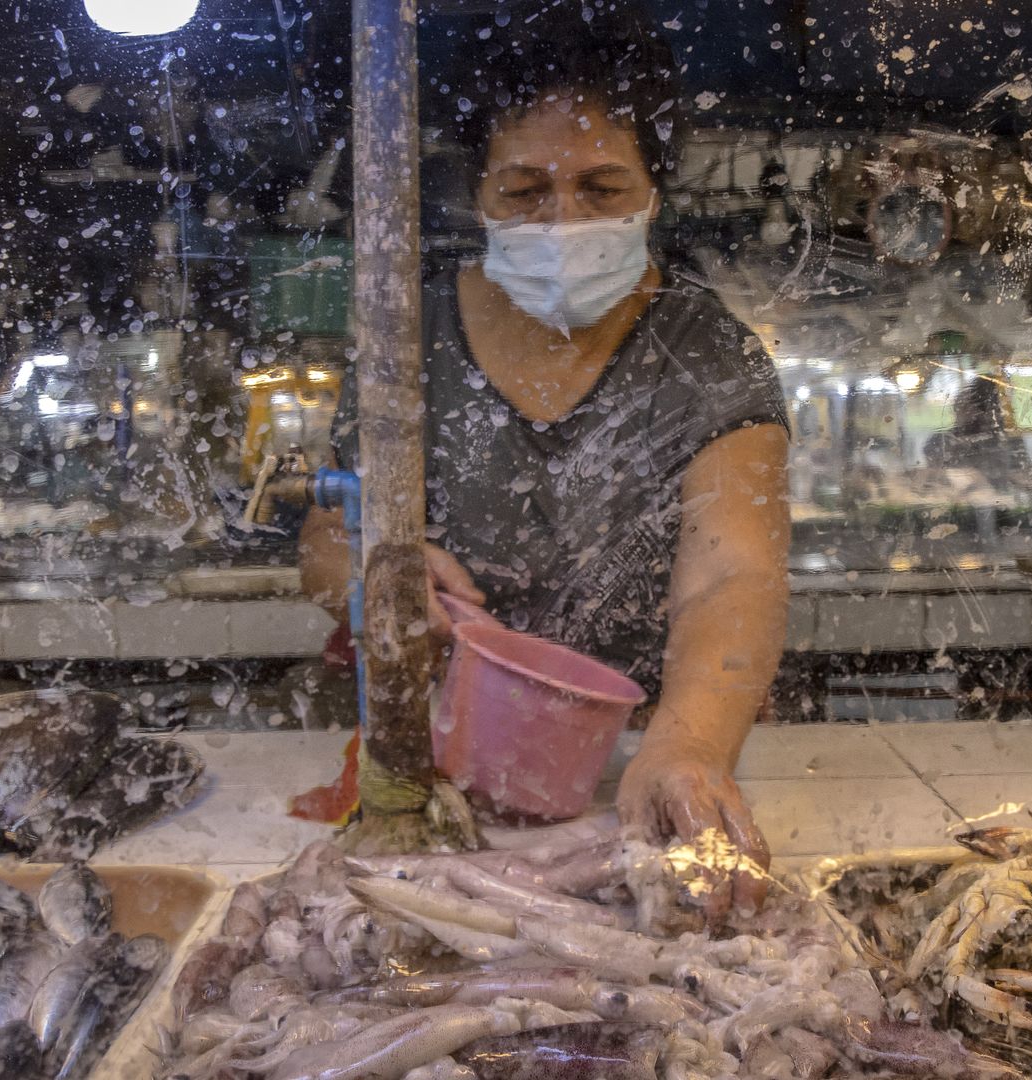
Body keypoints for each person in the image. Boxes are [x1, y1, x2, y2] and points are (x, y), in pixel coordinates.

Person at [298, 4, 791, 917]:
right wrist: (380, 575)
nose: (563, 220)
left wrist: (686, 748)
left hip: (629, 777)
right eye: (525, 191)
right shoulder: (410, 336)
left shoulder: (710, 355)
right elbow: (328, 533)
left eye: (602, 188)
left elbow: (734, 577)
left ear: (654, 192)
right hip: (431, 775)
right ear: (476, 193)